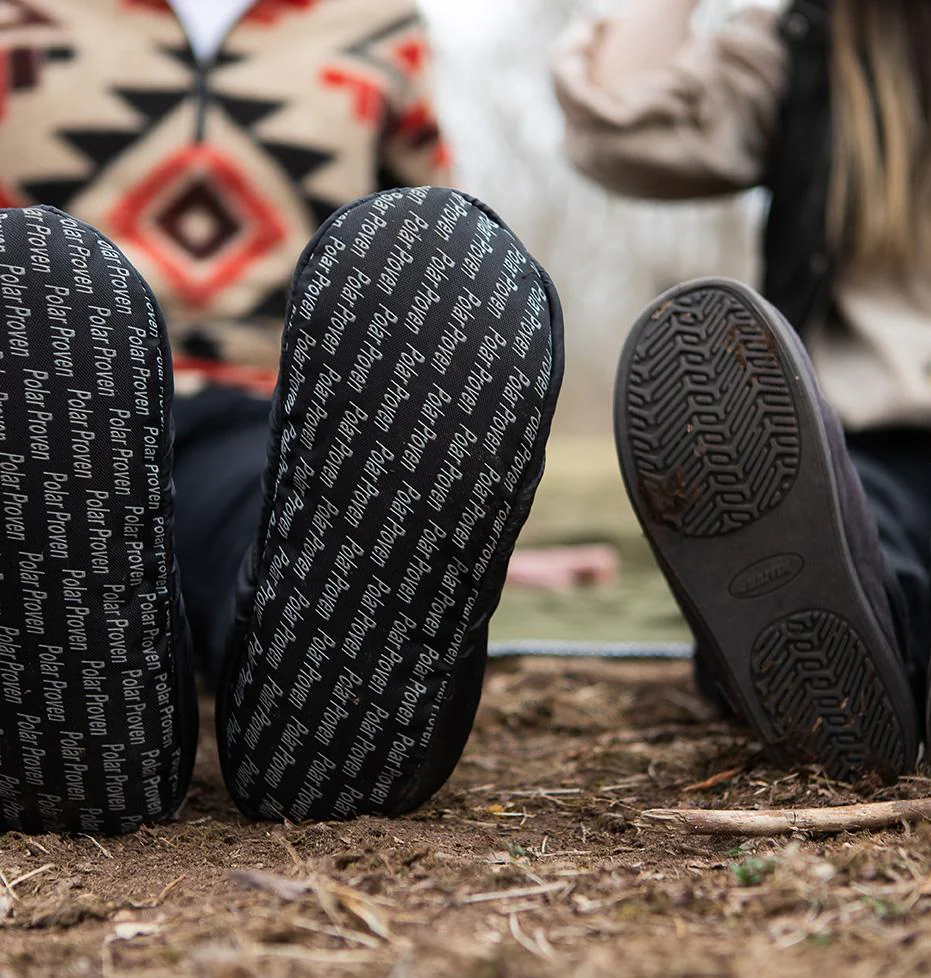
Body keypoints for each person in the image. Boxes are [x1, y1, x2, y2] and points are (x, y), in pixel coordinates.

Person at [0, 0, 563, 833]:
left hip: (276, 423)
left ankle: (275, 697)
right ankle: (73, 686)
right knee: (35, 287)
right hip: (52, 404)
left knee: (425, 251)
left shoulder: (376, 23)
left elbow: (445, 298)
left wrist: (466, 510)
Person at [554, 0, 931, 782]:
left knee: (928, 587)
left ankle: (908, 656)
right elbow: (619, 130)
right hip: (835, 462)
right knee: (862, 583)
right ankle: (858, 669)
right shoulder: (803, 43)